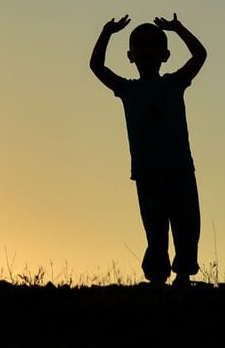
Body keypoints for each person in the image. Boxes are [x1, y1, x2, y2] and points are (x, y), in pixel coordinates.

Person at [89, 14, 207, 285]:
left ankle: (183, 275)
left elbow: (200, 55)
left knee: (187, 224)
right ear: (130, 56)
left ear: (165, 54)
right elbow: (97, 66)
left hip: (179, 170)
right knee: (155, 230)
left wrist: (178, 28)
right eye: (140, 45)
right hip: (149, 172)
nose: (146, 50)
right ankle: (156, 277)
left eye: (153, 44)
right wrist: (107, 32)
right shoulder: (127, 89)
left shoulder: (174, 84)